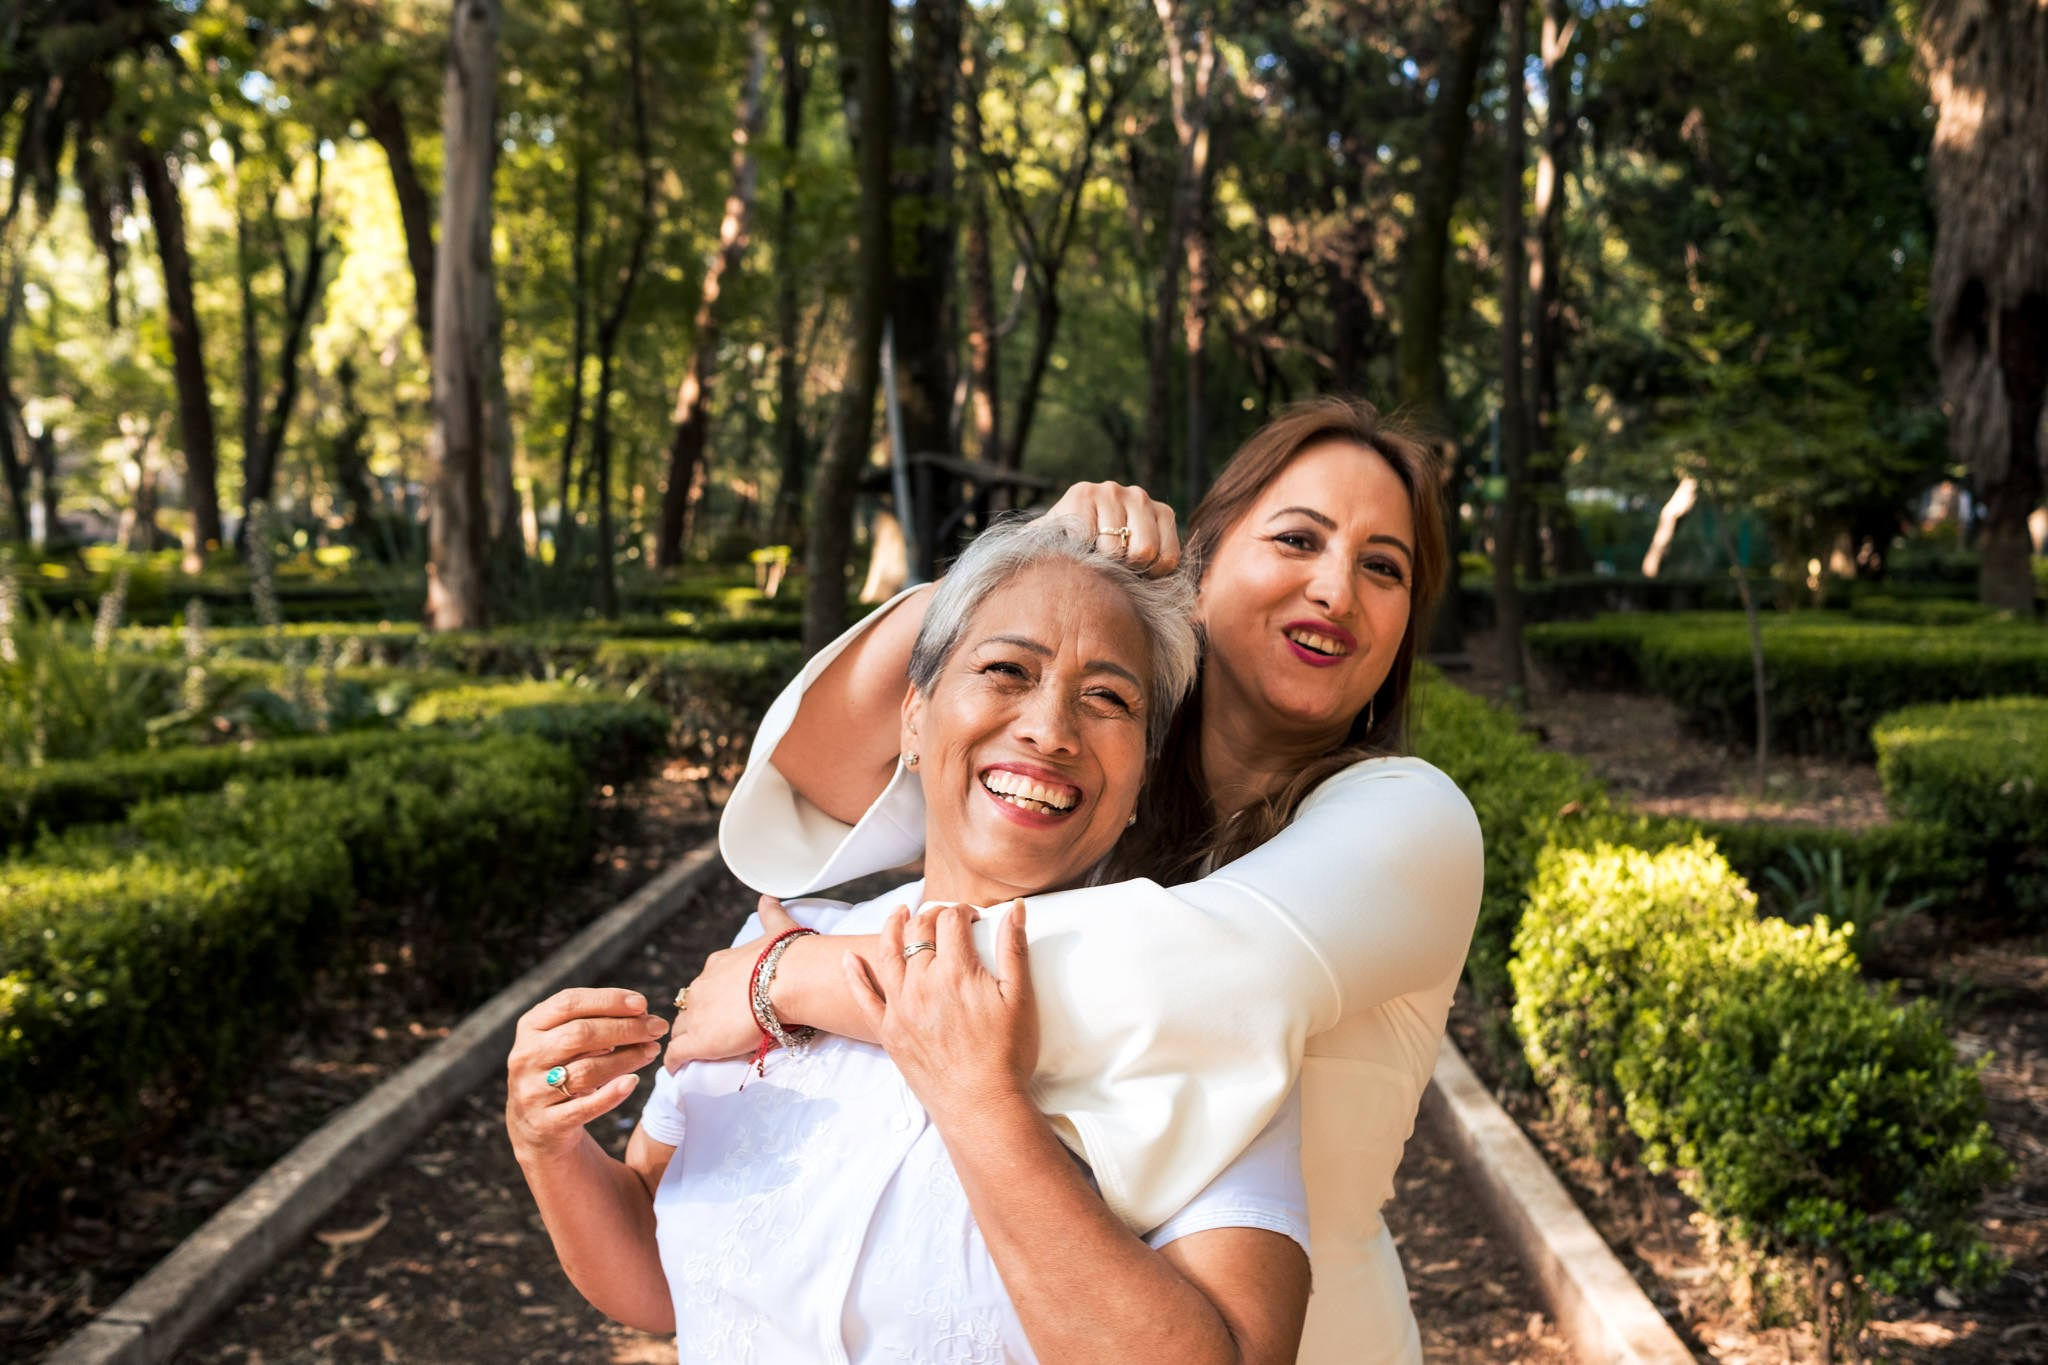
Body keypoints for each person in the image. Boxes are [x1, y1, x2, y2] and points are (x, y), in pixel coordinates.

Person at [670, 396, 1485, 1364]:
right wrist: (1023, 569)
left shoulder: (1411, 820)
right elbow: (818, 771)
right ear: (1202, 563)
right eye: (1297, 538)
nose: (1335, 590)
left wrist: (785, 980)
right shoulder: (1095, 777)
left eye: (1382, 568)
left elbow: (1176, 984)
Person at [506, 517, 1314, 1363]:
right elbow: (654, 1276)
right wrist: (549, 1144)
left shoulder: (1206, 1017)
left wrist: (979, 1100)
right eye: (1006, 669)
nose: (1050, 729)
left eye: (1108, 697)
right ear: (916, 720)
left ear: (1143, 776)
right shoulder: (779, 946)